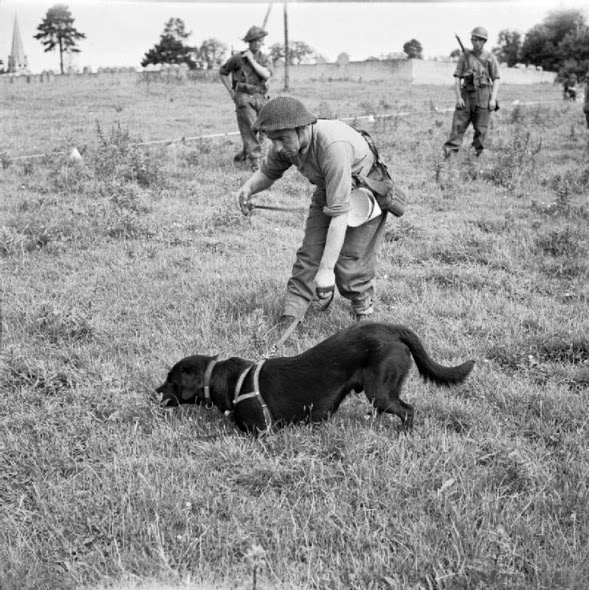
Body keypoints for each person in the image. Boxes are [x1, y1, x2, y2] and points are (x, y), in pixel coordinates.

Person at [236, 97, 392, 324]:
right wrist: (248, 187)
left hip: (366, 188)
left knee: (349, 258)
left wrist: (327, 270)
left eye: (282, 139)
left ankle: (363, 309)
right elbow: (269, 172)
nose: (278, 147)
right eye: (272, 140)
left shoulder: (333, 148)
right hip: (329, 187)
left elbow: (339, 215)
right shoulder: (286, 140)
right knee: (309, 253)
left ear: (302, 128)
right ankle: (292, 313)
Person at [219, 26, 273, 171]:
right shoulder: (238, 58)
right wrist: (231, 91)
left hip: (261, 96)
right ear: (249, 42)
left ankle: (243, 156)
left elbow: (266, 75)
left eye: (260, 41)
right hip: (243, 96)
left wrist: (251, 60)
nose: (257, 44)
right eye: (254, 41)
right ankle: (255, 162)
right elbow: (223, 72)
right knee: (249, 128)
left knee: (266, 128)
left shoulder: (264, 58)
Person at [443, 26, 500, 158]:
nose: (476, 42)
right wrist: (458, 97)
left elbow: (496, 79)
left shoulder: (490, 58)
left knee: (481, 129)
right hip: (466, 94)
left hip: (484, 95)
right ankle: (450, 155)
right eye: (474, 39)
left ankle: (475, 156)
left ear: (484, 42)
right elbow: (457, 78)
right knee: (458, 125)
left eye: (480, 40)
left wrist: (493, 99)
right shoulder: (465, 57)